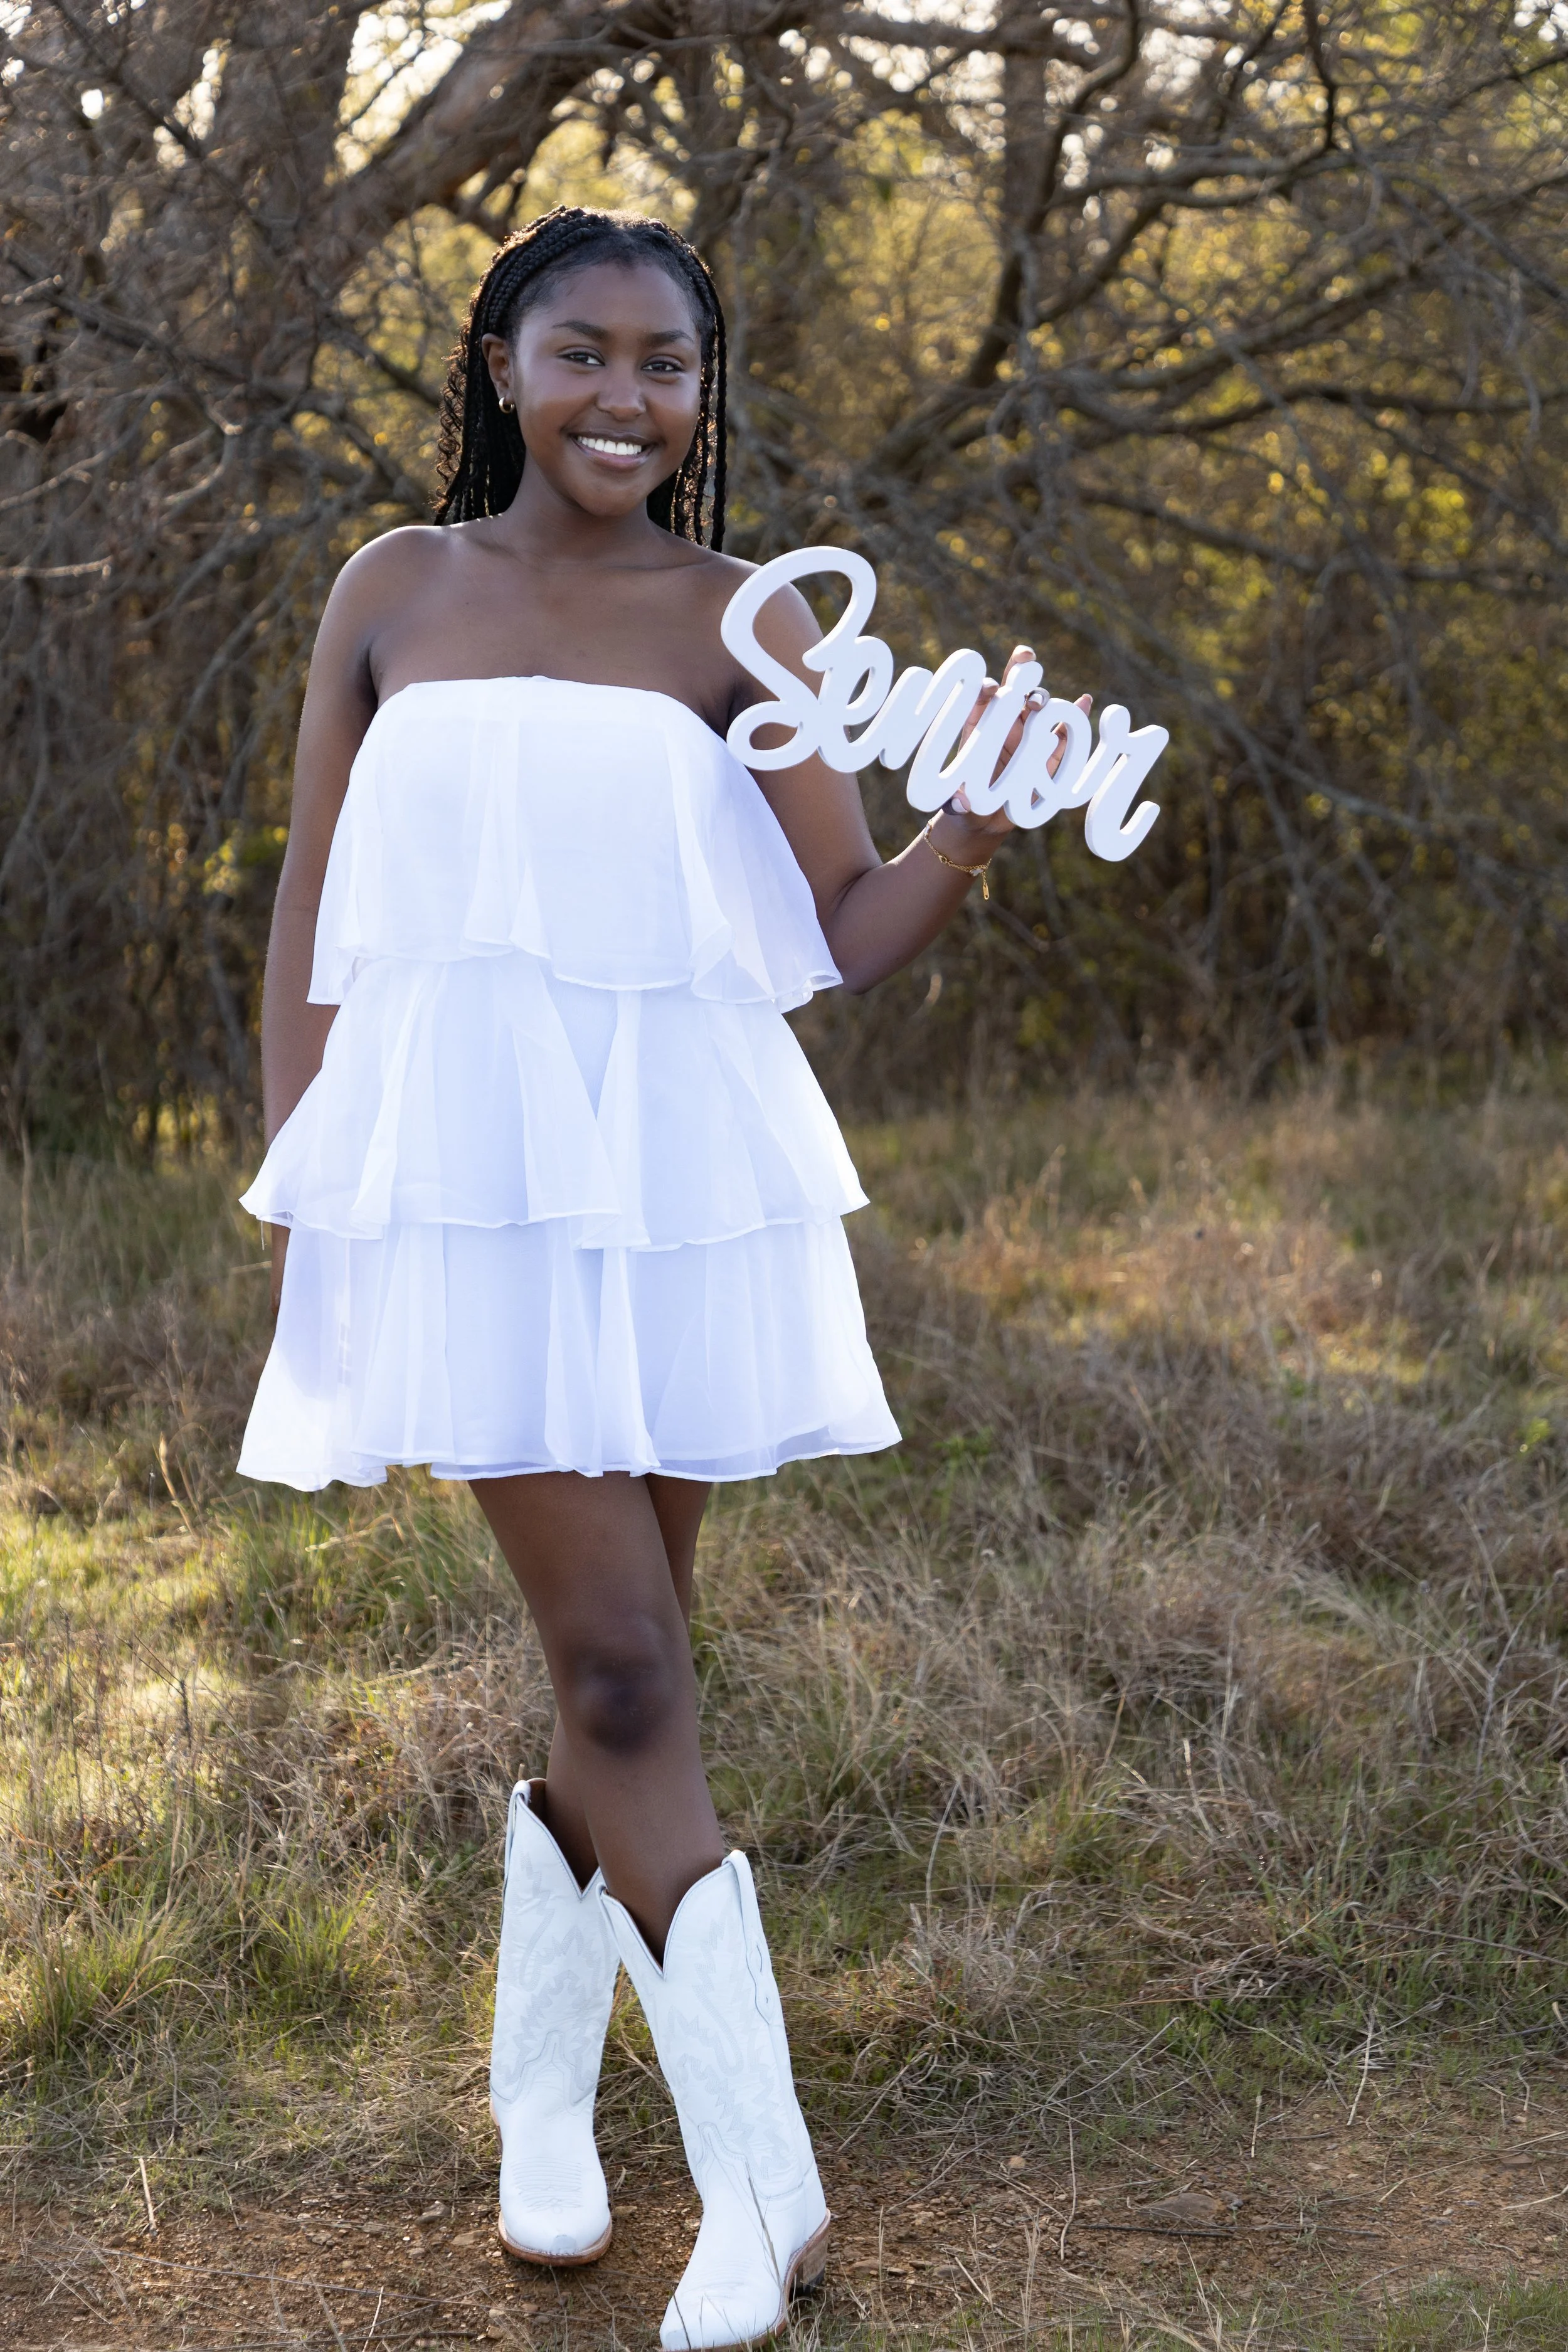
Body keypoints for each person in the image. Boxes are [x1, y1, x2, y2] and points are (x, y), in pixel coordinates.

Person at [238, 204, 1078, 2351]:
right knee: (621, 1678)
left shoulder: (751, 623)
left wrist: (968, 835)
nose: (629, 398)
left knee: (635, 1669)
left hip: (679, 1173)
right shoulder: (390, 591)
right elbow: (310, 916)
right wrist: (311, 1190)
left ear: (706, 396)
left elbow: (838, 937)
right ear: (502, 361)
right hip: (462, 1185)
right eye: (586, 353)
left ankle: (544, 2116)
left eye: (671, 367)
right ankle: (761, 2183)